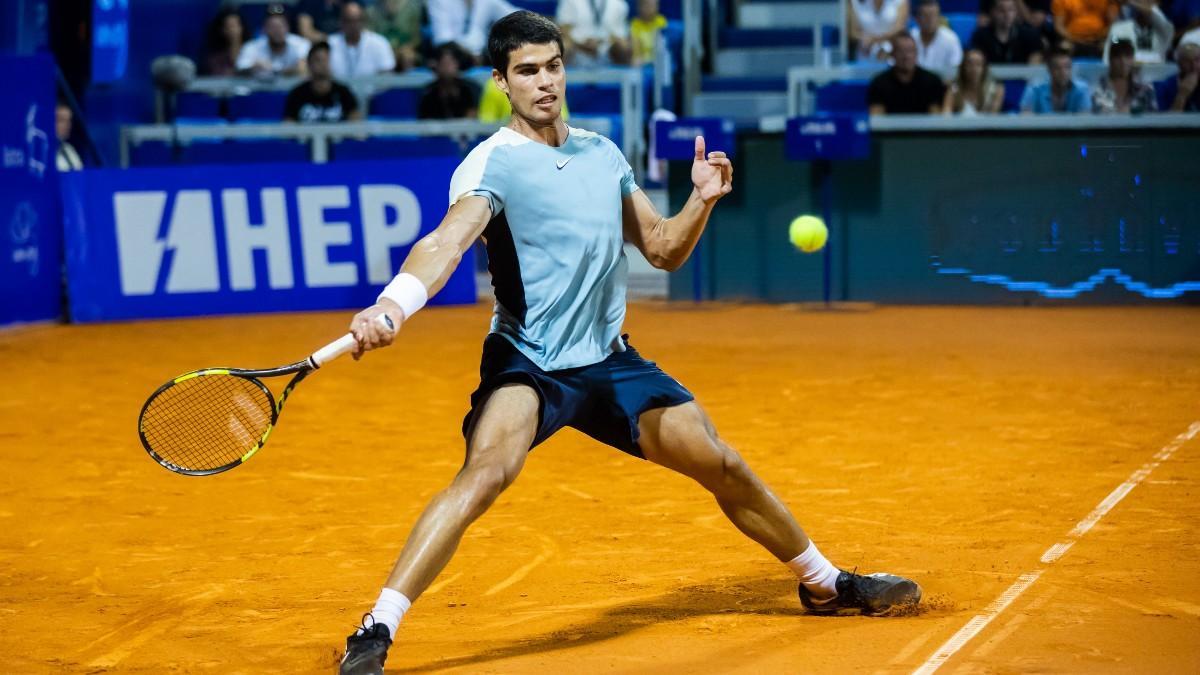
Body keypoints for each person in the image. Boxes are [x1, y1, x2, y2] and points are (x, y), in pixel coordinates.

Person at [336, 10, 923, 674]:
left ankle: (825, 583)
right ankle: (377, 626)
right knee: (484, 475)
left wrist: (701, 200)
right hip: (530, 360)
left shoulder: (602, 152)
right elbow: (444, 245)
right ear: (502, 80)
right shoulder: (492, 163)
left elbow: (664, 249)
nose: (545, 82)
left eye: (553, 66)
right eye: (527, 71)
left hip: (609, 359)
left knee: (719, 461)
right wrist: (393, 304)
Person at [283, 41, 363, 122]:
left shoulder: (344, 92)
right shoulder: (297, 94)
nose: (323, 63)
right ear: (309, 64)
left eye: (326, 59)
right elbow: (288, 126)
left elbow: (356, 125)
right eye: (318, 60)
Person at [868, 33, 947, 113]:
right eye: (901, 51)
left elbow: (936, 120)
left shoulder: (932, 82)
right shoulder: (879, 83)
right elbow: (877, 119)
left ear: (916, 54)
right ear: (892, 54)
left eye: (910, 51)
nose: (906, 56)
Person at [428, 0, 519, 62]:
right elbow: (443, 39)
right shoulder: (440, 1)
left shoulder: (487, 2)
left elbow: (518, 18)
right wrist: (468, 54)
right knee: (447, 57)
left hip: (481, 57)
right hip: (452, 55)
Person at [236, 3, 311, 76]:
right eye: (272, 26)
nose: (277, 31)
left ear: (288, 27)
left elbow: (305, 69)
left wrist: (280, 71)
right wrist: (253, 67)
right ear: (264, 29)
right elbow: (239, 69)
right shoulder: (252, 46)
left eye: (280, 26)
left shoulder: (301, 44)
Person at [328, 2, 397, 78]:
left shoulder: (379, 43)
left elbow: (387, 76)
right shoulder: (330, 44)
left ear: (363, 21)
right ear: (341, 22)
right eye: (348, 21)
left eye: (357, 21)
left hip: (374, 89)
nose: (353, 25)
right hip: (337, 89)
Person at [557, 0, 633, 65]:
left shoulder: (619, 3)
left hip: (608, 51)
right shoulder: (570, 1)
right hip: (577, 49)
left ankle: (627, 80)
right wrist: (580, 45)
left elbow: (620, 36)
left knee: (624, 46)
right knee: (564, 45)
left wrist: (602, 42)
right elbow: (564, 30)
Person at [1092, 38, 1158, 112]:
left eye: (1127, 56)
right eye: (1117, 56)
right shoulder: (1098, 88)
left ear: (1133, 59)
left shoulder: (1145, 89)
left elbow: (1153, 118)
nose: (1123, 61)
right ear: (1110, 60)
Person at [418, 43, 481, 119]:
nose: (447, 68)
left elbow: (473, 117)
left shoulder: (471, 89)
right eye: (443, 64)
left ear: (457, 64)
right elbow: (425, 121)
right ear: (436, 66)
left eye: (450, 63)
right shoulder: (427, 92)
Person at [970, 0, 1045, 63]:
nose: (1007, 15)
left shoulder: (1030, 36)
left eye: (1010, 10)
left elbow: (1034, 67)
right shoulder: (981, 36)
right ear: (992, 12)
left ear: (1016, 12)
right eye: (1001, 10)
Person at [1102, 0, 1174, 64]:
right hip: (1128, 77)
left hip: (1158, 76)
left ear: (1158, 3)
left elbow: (1152, 12)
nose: (1144, 4)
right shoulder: (1119, 29)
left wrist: (1130, 1)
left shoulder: (1165, 30)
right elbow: (1107, 60)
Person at [1020, 48, 1091, 112]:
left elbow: (1085, 122)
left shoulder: (1082, 90)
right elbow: (1025, 120)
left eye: (1067, 67)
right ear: (1049, 70)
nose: (1063, 73)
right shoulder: (1034, 89)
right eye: (1057, 68)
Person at [943, 48, 1004, 113]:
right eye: (969, 64)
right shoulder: (954, 89)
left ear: (984, 68)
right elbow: (946, 116)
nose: (974, 68)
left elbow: (993, 119)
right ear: (963, 67)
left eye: (978, 64)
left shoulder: (996, 90)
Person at [1051, 0, 1119, 57]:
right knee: (1063, 47)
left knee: (1113, 47)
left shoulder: (1108, 1)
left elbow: (1113, 24)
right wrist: (1074, 39)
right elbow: (1058, 26)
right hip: (1071, 40)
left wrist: (1102, 37)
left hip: (1099, 40)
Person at [371, 0, 423, 71]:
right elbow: (370, 37)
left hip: (404, 50)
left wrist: (404, 48)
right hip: (381, 51)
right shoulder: (371, 11)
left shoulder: (412, 8)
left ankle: (409, 81)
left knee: (408, 56)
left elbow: (416, 39)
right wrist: (387, 50)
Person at [911, 0, 964, 69]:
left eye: (934, 16)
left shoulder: (951, 39)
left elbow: (954, 70)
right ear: (917, 19)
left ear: (939, 17)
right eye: (925, 16)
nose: (930, 20)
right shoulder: (911, 37)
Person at [204, 7, 247, 76]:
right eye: (229, 26)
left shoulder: (252, 49)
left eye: (236, 25)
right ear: (222, 30)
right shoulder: (215, 57)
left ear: (242, 27)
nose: (233, 30)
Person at [1160, 42, 1200, 111]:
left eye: (1197, 60)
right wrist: (1182, 95)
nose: (1194, 66)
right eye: (1187, 61)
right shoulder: (1166, 86)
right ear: (1179, 63)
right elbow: (1167, 120)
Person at [630, 0, 668, 65]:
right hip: (642, 59)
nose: (651, 8)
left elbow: (664, 44)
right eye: (648, 5)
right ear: (640, 7)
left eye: (654, 5)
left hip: (657, 58)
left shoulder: (661, 21)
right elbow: (635, 45)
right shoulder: (635, 24)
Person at [55, 101, 83, 171]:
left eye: (69, 120)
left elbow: (80, 177)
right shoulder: (41, 152)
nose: (68, 125)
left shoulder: (69, 150)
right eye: (62, 120)